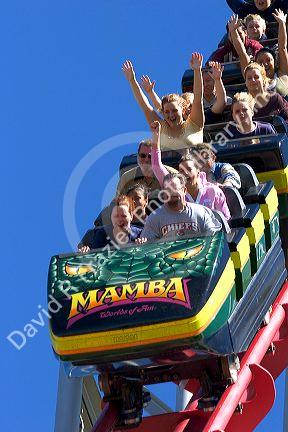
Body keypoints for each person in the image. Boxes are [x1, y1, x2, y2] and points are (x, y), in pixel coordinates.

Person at [122, 53, 204, 150]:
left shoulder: (194, 124)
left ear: (183, 110)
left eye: (174, 110)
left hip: (194, 164)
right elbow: (145, 106)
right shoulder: (160, 127)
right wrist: (132, 80)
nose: (171, 115)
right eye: (167, 112)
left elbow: (198, 98)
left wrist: (197, 70)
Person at [150, 121, 231, 220]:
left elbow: (226, 219)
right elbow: (156, 166)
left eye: (189, 169)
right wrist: (156, 136)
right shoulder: (177, 193)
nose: (185, 174)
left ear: (198, 171)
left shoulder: (213, 191)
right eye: (181, 171)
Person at [137, 173, 222, 243]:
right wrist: (143, 242)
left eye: (175, 189)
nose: (171, 193)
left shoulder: (200, 212)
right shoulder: (154, 218)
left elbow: (215, 237)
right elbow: (147, 245)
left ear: (184, 190)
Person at [141, 62, 226, 125]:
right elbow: (162, 107)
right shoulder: (178, 124)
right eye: (186, 107)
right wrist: (150, 92)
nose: (188, 110)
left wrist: (217, 80)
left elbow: (221, 102)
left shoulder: (205, 117)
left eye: (191, 106)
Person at [229, 11, 288, 97]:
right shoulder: (253, 81)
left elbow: (282, 48)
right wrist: (233, 31)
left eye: (268, 60)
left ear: (274, 62)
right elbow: (242, 53)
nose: (265, 64)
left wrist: (282, 23)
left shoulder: (281, 73)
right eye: (260, 62)